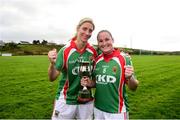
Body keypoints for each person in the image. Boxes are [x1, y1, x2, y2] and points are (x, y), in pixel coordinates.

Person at [81, 30, 139, 119]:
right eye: (100, 41)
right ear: (98, 43)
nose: (104, 43)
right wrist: (90, 83)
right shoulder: (97, 60)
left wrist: (130, 77)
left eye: (107, 39)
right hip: (98, 109)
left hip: (117, 112)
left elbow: (134, 87)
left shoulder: (124, 58)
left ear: (112, 40)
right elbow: (96, 83)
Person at [48, 18, 97, 120]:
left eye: (90, 30)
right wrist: (52, 64)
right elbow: (52, 77)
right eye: (84, 29)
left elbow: (97, 77)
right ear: (78, 28)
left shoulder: (93, 51)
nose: (87, 33)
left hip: (86, 100)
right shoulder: (65, 50)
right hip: (66, 99)